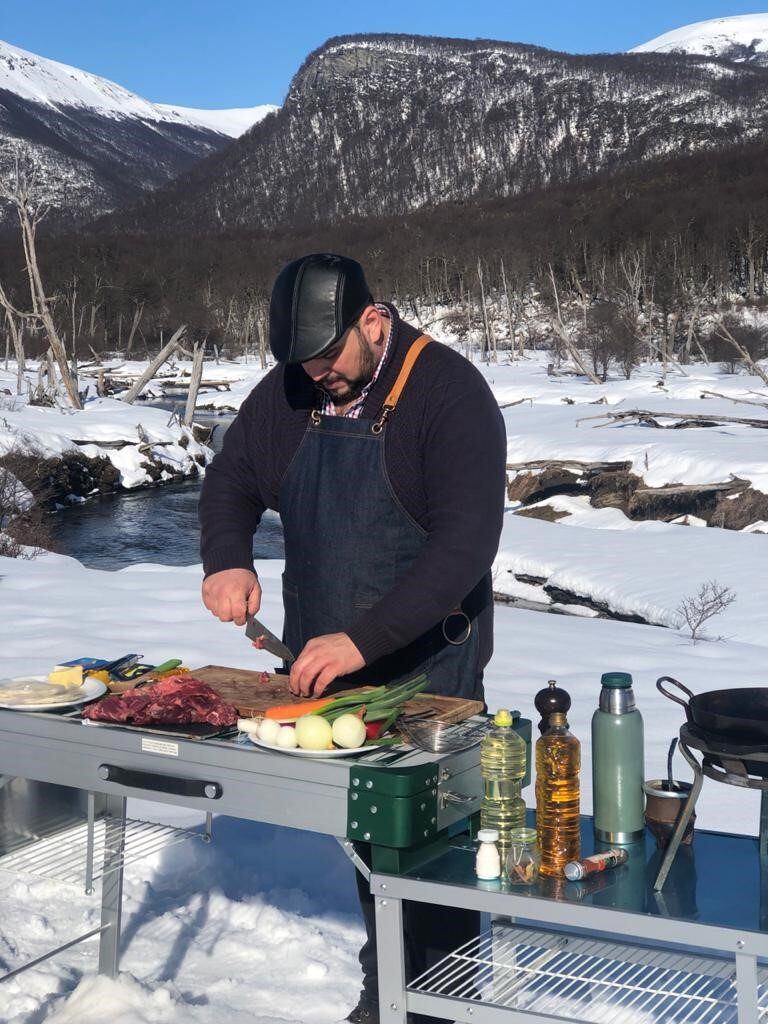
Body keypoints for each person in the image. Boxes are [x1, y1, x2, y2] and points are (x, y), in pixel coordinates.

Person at [199, 253, 507, 1024]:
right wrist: (228, 558)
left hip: (430, 667)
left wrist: (361, 641)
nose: (319, 377)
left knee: (432, 848)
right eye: (303, 365)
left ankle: (442, 1005)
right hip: (328, 669)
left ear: (374, 322)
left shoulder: (450, 395)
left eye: (329, 359)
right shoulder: (295, 389)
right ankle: (387, 988)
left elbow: (465, 547)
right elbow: (230, 479)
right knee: (368, 846)